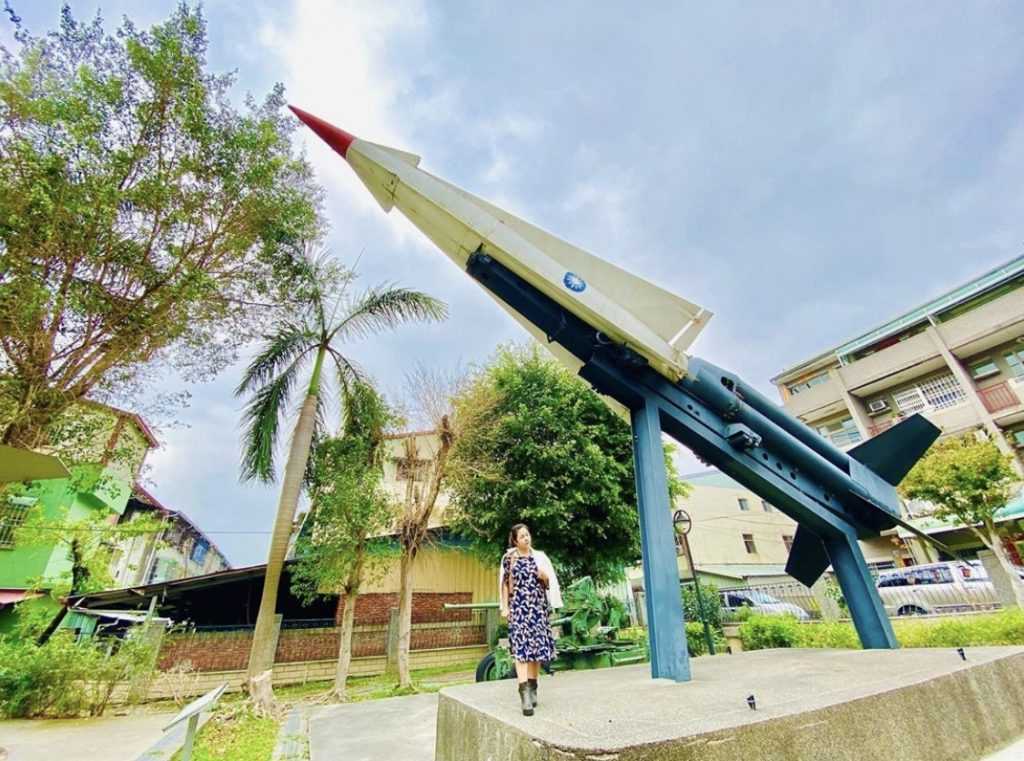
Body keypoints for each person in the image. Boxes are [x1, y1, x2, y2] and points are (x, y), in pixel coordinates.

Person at [499, 523, 562, 716]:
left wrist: (544, 577)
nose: (527, 538)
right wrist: (505, 607)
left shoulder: (539, 557)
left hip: (537, 609)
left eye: (528, 535)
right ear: (515, 541)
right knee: (521, 652)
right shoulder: (509, 559)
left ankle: (534, 687)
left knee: (536, 652)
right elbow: (504, 583)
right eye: (522, 536)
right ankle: (524, 693)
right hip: (518, 609)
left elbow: (550, 582)